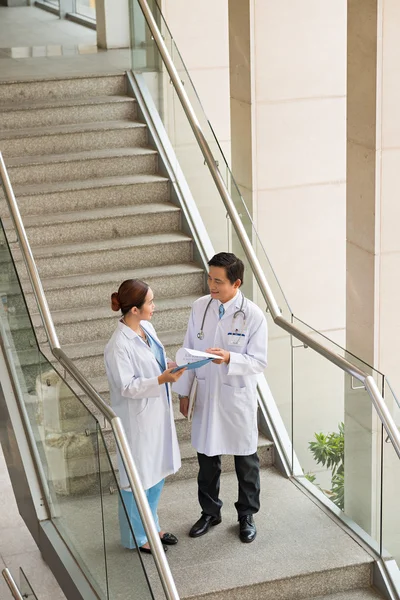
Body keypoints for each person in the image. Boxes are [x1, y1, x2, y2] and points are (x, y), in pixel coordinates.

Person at [173, 252, 268, 543]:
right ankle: (210, 512)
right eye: (209, 278)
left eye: (218, 281)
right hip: (206, 393)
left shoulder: (253, 315)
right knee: (207, 459)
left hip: (236, 396)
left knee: (245, 461)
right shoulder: (201, 307)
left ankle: (246, 515)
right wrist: (185, 391)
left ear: (236, 283)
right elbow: (189, 349)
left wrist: (229, 358)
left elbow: (258, 362)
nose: (211, 286)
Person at [104, 279, 185, 554]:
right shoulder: (118, 346)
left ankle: (153, 525)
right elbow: (127, 386)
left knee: (156, 472)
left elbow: (155, 362)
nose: (154, 306)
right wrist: (162, 378)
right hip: (136, 421)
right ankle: (137, 536)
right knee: (136, 478)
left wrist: (171, 366)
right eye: (150, 302)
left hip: (156, 414)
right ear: (135, 310)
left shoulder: (146, 328)